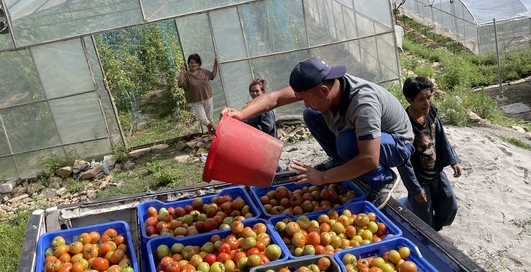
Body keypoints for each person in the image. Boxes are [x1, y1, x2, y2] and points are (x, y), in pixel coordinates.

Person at [222, 56, 415, 208]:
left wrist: (323, 178)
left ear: (324, 90)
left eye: (307, 98)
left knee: (347, 143)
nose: (305, 103)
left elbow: (369, 158)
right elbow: (274, 98)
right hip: (366, 138)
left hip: (397, 144)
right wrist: (241, 114)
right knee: (311, 114)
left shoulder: (363, 103)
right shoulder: (321, 86)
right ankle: (341, 160)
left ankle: (382, 179)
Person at [400, 76, 461, 231]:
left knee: (450, 206)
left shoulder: (430, 112)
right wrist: (415, 189)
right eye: (421, 99)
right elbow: (403, 161)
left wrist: (453, 160)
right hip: (419, 177)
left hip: (436, 171)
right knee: (424, 218)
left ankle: (435, 230)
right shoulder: (404, 125)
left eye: (429, 97)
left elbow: (440, 136)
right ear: (409, 100)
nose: (427, 103)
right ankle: (429, 231)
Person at [178, 53, 218, 135]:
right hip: (196, 100)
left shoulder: (203, 71)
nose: (194, 64)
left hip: (207, 97)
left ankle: (210, 133)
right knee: (203, 118)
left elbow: (212, 75)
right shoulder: (186, 75)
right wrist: (182, 73)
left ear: (198, 63)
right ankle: (214, 127)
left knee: (209, 117)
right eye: (192, 62)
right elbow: (180, 84)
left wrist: (216, 63)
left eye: (196, 62)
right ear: (188, 64)